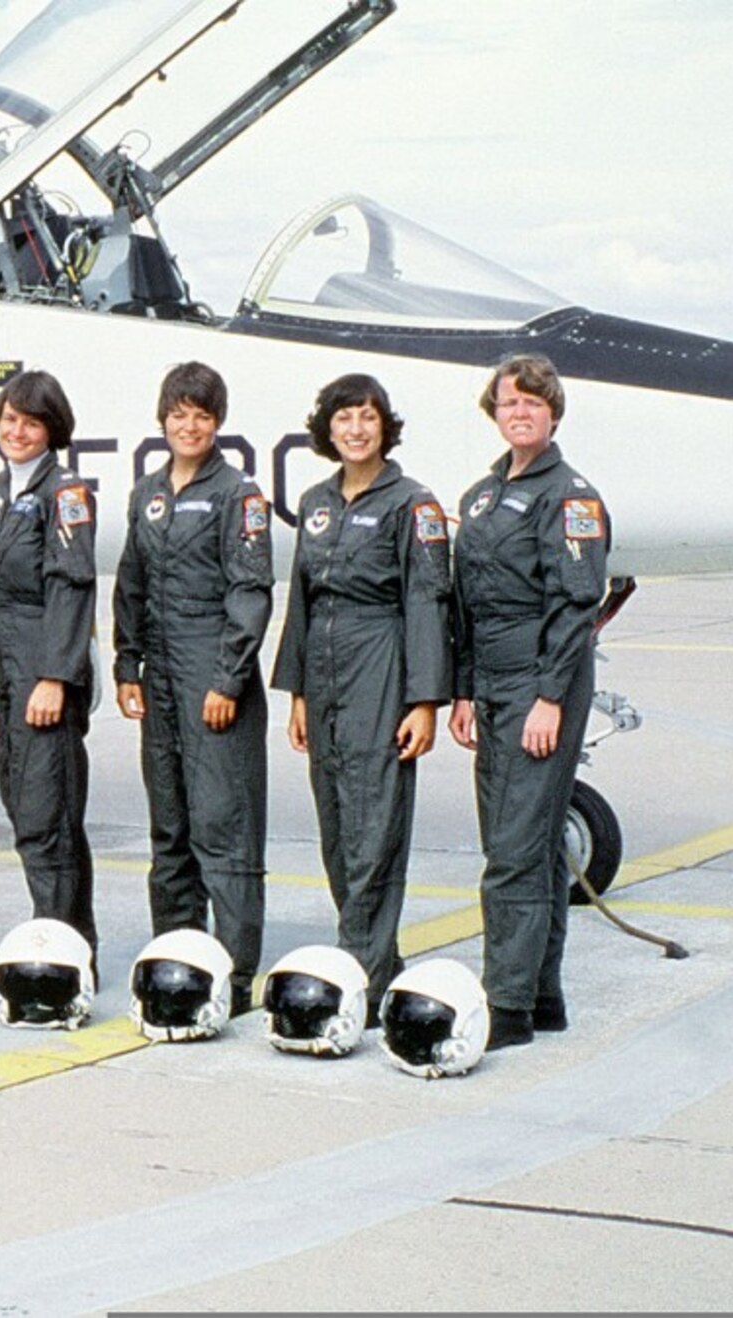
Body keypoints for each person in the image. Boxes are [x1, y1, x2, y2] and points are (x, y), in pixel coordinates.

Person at [270, 374, 451, 1021]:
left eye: (367, 418)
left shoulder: (412, 503)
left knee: (375, 826)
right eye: (344, 418)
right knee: (337, 827)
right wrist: (294, 691)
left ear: (384, 426)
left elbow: (427, 601)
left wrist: (425, 700)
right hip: (322, 673)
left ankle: (361, 972)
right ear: (328, 428)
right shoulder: (317, 501)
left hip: (382, 664)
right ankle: (377, 956)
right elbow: (300, 595)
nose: (355, 429)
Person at [448, 353, 610, 1050]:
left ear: (553, 413)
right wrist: (462, 691)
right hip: (492, 682)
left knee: (513, 849)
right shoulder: (484, 494)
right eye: (510, 403)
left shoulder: (570, 497)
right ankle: (543, 996)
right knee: (532, 845)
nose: (520, 413)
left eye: (533, 404)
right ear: (496, 411)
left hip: (543, 680)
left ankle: (506, 1006)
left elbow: (576, 606)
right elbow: (466, 601)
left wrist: (549, 699)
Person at [113, 360, 273, 1019]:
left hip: (214, 671)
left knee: (223, 827)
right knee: (171, 827)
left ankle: (233, 976)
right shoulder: (148, 493)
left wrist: (229, 677)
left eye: (201, 415)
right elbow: (131, 583)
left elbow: (250, 591)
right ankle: (180, 957)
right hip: (163, 679)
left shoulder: (239, 495)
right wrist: (128, 666)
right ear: (163, 419)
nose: (189, 425)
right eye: (179, 413)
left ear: (217, 423)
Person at [0, 369, 97, 953]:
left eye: (30, 421)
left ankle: (65, 944)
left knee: (50, 816)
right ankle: (55, 928)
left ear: (52, 428)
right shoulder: (1, 491)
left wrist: (54, 676)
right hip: (8, 667)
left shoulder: (64, 493)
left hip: (45, 668)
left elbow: (72, 585)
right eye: (9, 419)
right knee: (24, 810)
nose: (16, 431)